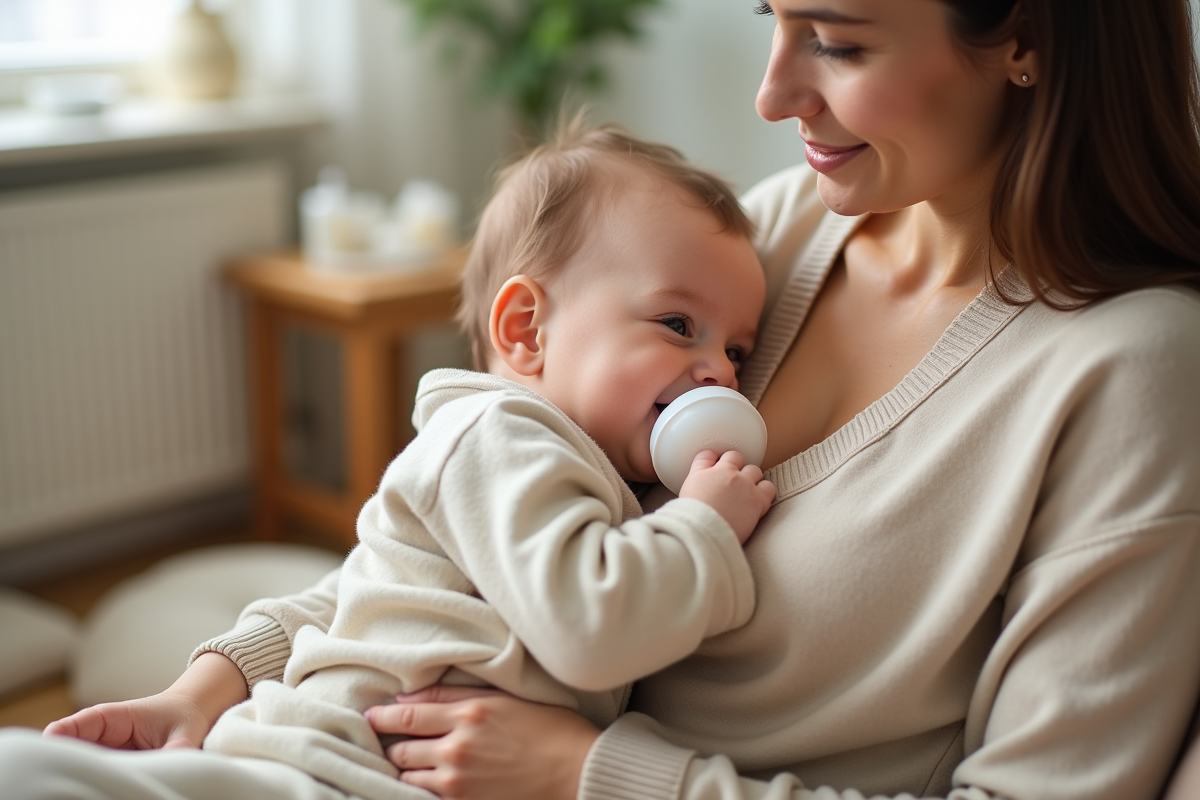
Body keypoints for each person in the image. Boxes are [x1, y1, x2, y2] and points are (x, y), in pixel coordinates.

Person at [5, 0, 1200, 798]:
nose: (773, 95)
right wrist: (223, 673)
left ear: (1029, 37)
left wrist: (596, 770)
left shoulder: (1130, 371)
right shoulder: (775, 235)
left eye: (837, 40)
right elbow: (486, 523)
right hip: (365, 735)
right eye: (769, 19)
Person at [0, 122, 775, 799]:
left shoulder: (593, 478)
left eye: (737, 349)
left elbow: (356, 595)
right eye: (678, 324)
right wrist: (703, 523)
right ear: (527, 331)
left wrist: (197, 691)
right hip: (326, 770)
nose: (721, 372)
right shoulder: (500, 436)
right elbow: (591, 629)